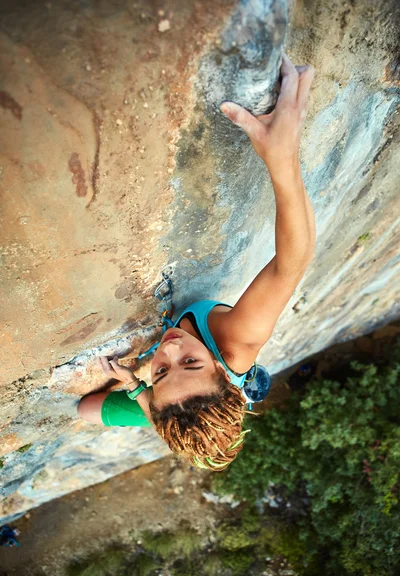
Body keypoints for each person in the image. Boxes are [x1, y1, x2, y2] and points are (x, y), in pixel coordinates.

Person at [78, 53, 316, 471]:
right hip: (230, 383)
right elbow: (291, 263)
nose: (169, 350)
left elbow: (157, 407)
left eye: (163, 372)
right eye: (191, 361)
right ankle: (244, 388)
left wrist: (137, 385)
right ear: (221, 372)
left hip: (176, 405)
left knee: (87, 411)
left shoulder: (163, 399)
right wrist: (283, 157)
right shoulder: (235, 343)